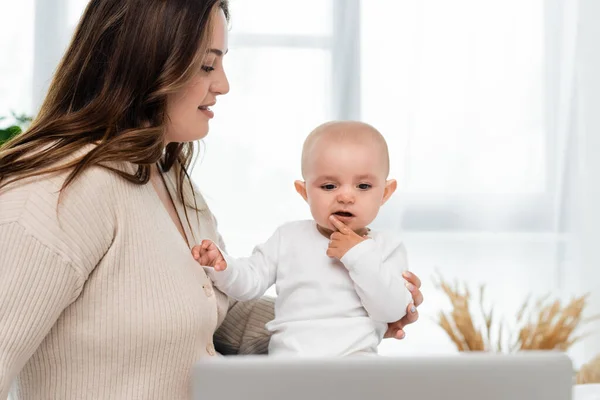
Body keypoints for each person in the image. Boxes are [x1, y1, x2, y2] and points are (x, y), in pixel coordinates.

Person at [0, 0, 424, 398]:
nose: (222, 84)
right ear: (146, 65)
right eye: (207, 64)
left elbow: (206, 313)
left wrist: (338, 311)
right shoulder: (53, 195)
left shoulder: (167, 179)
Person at [193, 121, 411, 357]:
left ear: (385, 193)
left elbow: (392, 310)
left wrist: (357, 254)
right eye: (329, 186)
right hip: (290, 362)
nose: (346, 196)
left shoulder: (386, 248)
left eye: (363, 186)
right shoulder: (288, 237)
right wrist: (222, 266)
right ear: (304, 192)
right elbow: (250, 283)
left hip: (355, 364)